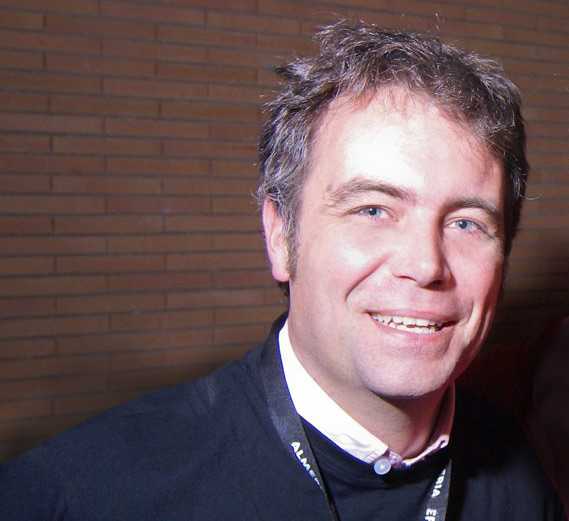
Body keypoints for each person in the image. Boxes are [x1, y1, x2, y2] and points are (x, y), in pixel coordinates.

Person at [0, 20, 565, 521]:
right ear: (281, 236)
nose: (425, 265)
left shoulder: (521, 479)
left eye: (466, 223)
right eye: (372, 210)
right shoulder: (72, 496)